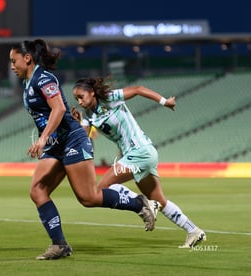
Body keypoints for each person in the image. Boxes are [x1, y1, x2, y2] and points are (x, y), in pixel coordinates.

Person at [9, 39, 161, 260]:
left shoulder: (44, 79)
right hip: (55, 145)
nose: (12, 66)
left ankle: (138, 203)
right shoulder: (27, 83)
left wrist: (42, 139)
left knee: (88, 198)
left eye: (14, 61)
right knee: (37, 191)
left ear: (27, 58)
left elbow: (59, 108)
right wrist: (47, 140)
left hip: (72, 139)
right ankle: (59, 245)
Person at [71, 76, 206, 248]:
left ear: (92, 93)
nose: (79, 101)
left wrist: (164, 102)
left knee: (102, 189)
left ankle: (142, 204)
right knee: (159, 200)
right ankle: (194, 231)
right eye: (76, 99)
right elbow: (84, 137)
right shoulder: (89, 116)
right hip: (139, 155)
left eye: (81, 96)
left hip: (140, 152)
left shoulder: (109, 98)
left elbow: (138, 89)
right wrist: (77, 124)